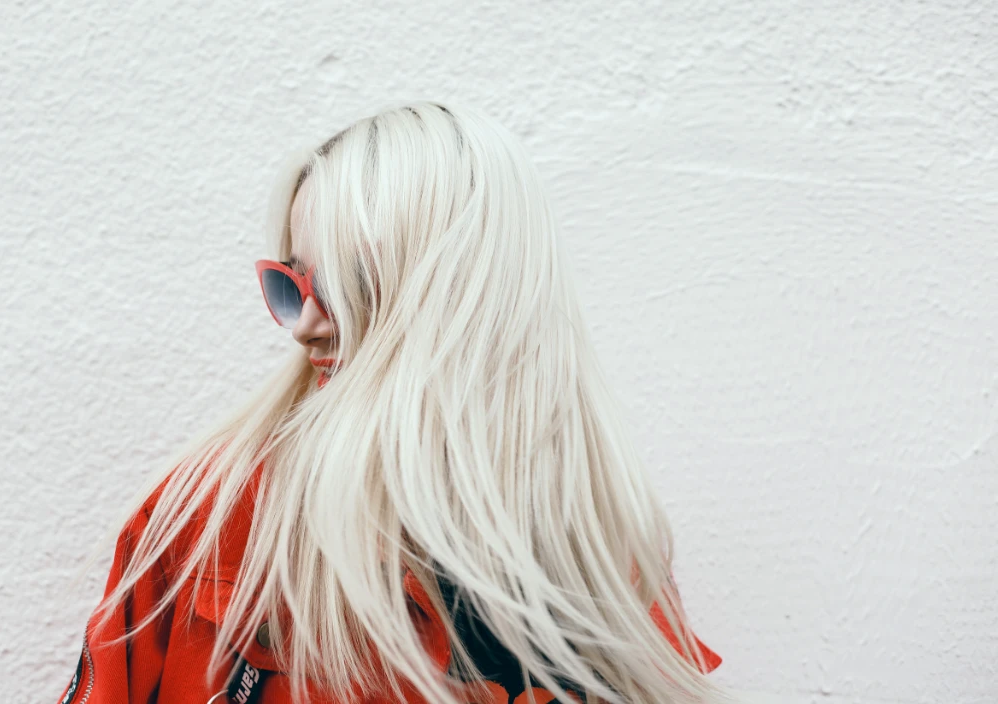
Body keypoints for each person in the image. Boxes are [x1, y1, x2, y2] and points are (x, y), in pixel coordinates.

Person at [55, 102, 727, 704]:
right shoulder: (208, 515)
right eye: (291, 284)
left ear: (463, 290)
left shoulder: (599, 547)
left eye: (350, 281)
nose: (305, 324)